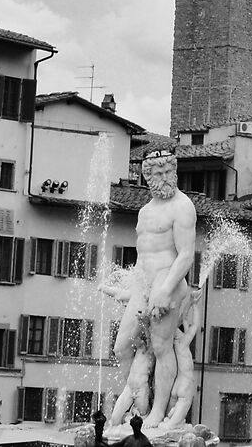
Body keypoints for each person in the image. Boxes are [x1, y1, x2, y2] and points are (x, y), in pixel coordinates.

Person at [102, 149, 201, 433]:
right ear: (147, 176)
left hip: (168, 283)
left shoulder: (182, 206)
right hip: (144, 285)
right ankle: (138, 400)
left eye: (169, 171)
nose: (165, 178)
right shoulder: (145, 212)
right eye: (158, 173)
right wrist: (132, 288)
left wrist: (166, 289)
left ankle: (157, 412)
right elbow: (142, 257)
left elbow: (185, 256)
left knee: (160, 347)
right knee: (122, 346)